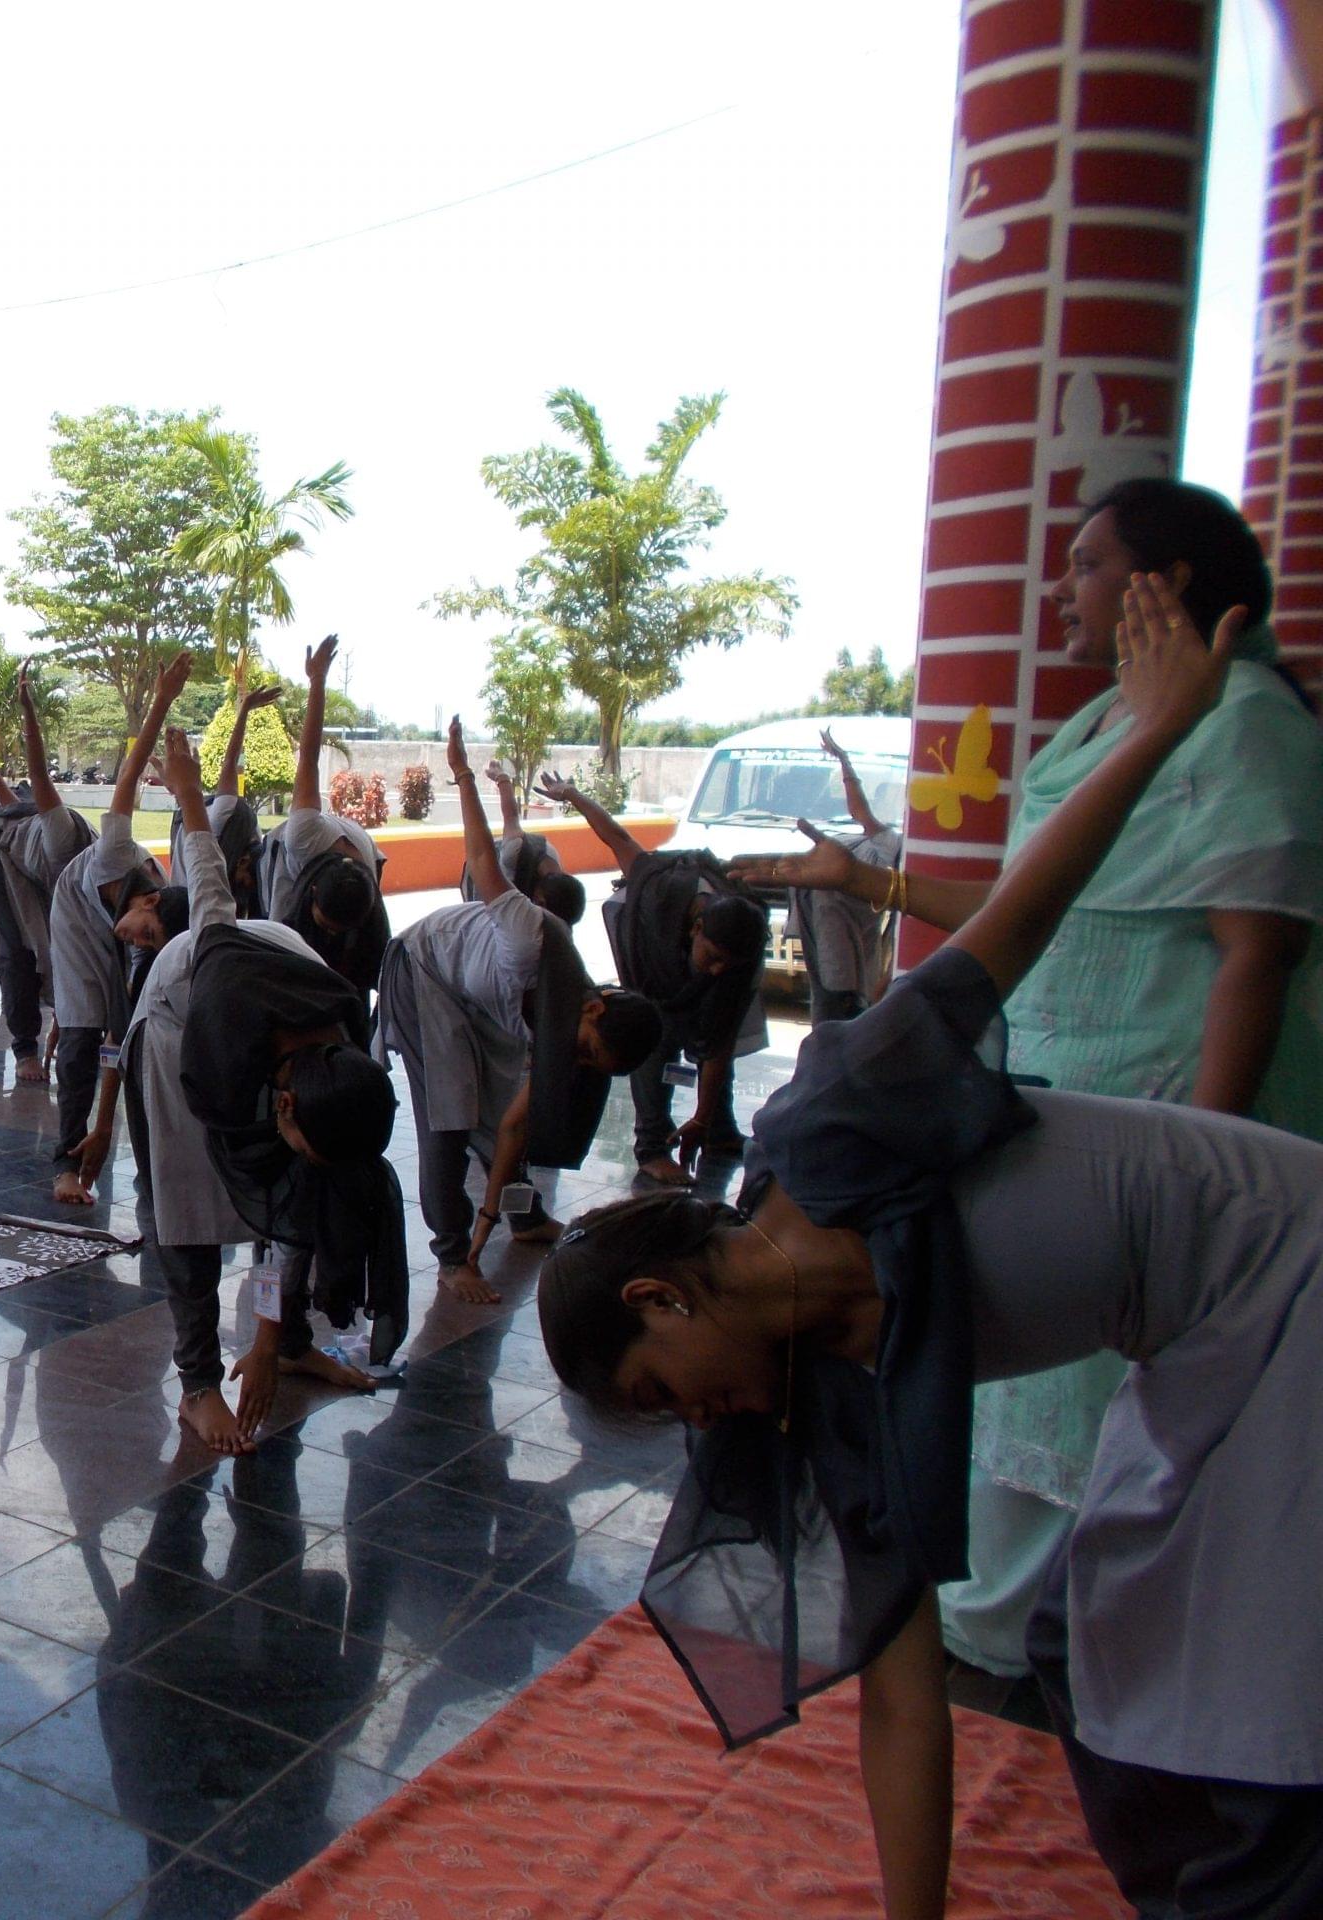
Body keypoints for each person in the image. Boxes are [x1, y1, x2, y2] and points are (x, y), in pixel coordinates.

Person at [537, 572, 1322, 1920]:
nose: (696, 1424)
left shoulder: (836, 1124)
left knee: (1231, 1713)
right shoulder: (828, 1398)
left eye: (664, 1390)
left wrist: (1159, 729)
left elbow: (1019, 918)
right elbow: (904, 1704)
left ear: (663, 1295)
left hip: (1288, 1265)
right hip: (1194, 1331)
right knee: (1087, 1646)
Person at [734, 477, 1323, 1690]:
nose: (1062, 588)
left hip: (1158, 1117)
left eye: (1089, 564)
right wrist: (865, 882)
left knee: (1122, 1396)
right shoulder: (1103, 725)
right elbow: (1026, 908)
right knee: (1023, 1380)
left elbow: (1253, 955)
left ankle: (1080, 1668)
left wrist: (1198, 1168)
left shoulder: (1245, 721)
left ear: (1162, 584)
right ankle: (998, 1650)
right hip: (1048, 1104)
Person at [95, 727, 388, 1457]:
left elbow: (289, 1219)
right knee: (185, 1216)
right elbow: (209, 887)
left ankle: (290, 1346)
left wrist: (263, 1344)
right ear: (281, 1107)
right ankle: (197, 1384)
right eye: (295, 1141)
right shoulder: (225, 995)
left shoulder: (341, 1047)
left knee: (289, 1203)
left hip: (257, 1030)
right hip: (179, 1032)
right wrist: (189, 793)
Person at [376, 719, 660, 1305]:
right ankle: (448, 1255)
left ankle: (524, 1218)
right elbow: (483, 857)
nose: (578, 1060)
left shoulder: (561, 1023)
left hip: (474, 998)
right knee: (451, 1115)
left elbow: (513, 1127)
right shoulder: (530, 939)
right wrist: (462, 774)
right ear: (594, 1008)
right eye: (588, 1050)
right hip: (424, 971)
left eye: (591, 1064)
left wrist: (492, 1221)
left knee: (501, 1105)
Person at [542, 771, 768, 1184]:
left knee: (716, 1025)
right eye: (713, 958)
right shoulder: (661, 890)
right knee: (654, 1038)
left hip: (692, 977)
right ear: (696, 927)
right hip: (650, 973)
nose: (717, 970)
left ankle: (717, 1129)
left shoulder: (742, 950)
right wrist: (571, 794)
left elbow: (720, 1040)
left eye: (727, 965)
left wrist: (700, 1118)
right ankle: (651, 1148)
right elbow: (618, 838)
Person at [50, 653, 192, 1204]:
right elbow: (129, 776)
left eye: (148, 943)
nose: (140, 940)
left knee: (122, 1030)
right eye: (146, 931)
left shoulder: (151, 946)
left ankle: (138, 1154)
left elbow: (119, 1039)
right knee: (80, 1033)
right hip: (76, 918)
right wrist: (162, 699)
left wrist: (106, 1126)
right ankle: (64, 1166)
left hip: (106, 927)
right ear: (149, 900)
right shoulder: (115, 854)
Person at [0, 671, 93, 1085]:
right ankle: (24, 1048)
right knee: (17, 952)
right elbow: (28, 772)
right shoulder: (54, 833)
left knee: (61, 951)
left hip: (30, 872)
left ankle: (60, 1022)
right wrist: (26, 709)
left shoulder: (96, 859)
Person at [258, 636, 389, 1000]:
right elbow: (309, 757)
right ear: (311, 892)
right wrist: (317, 681)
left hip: (346, 866)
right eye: (327, 925)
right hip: (288, 861)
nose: (330, 933)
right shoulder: (303, 834)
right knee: (284, 960)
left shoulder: (366, 889)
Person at [782, 727, 900, 1025]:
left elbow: (861, 812)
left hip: (846, 954)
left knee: (843, 1010)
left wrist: (844, 762)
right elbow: (861, 812)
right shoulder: (873, 842)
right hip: (824, 937)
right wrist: (844, 760)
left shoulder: (894, 848)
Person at [168, 679, 287, 921]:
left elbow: (230, 763)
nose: (246, 885)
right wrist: (244, 712)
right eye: (247, 879)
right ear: (243, 860)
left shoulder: (219, 827)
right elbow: (230, 762)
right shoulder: (224, 821)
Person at [479, 757, 587, 926]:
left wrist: (571, 794)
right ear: (539, 901)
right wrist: (501, 777)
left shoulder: (562, 892)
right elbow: (511, 816)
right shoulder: (515, 853)